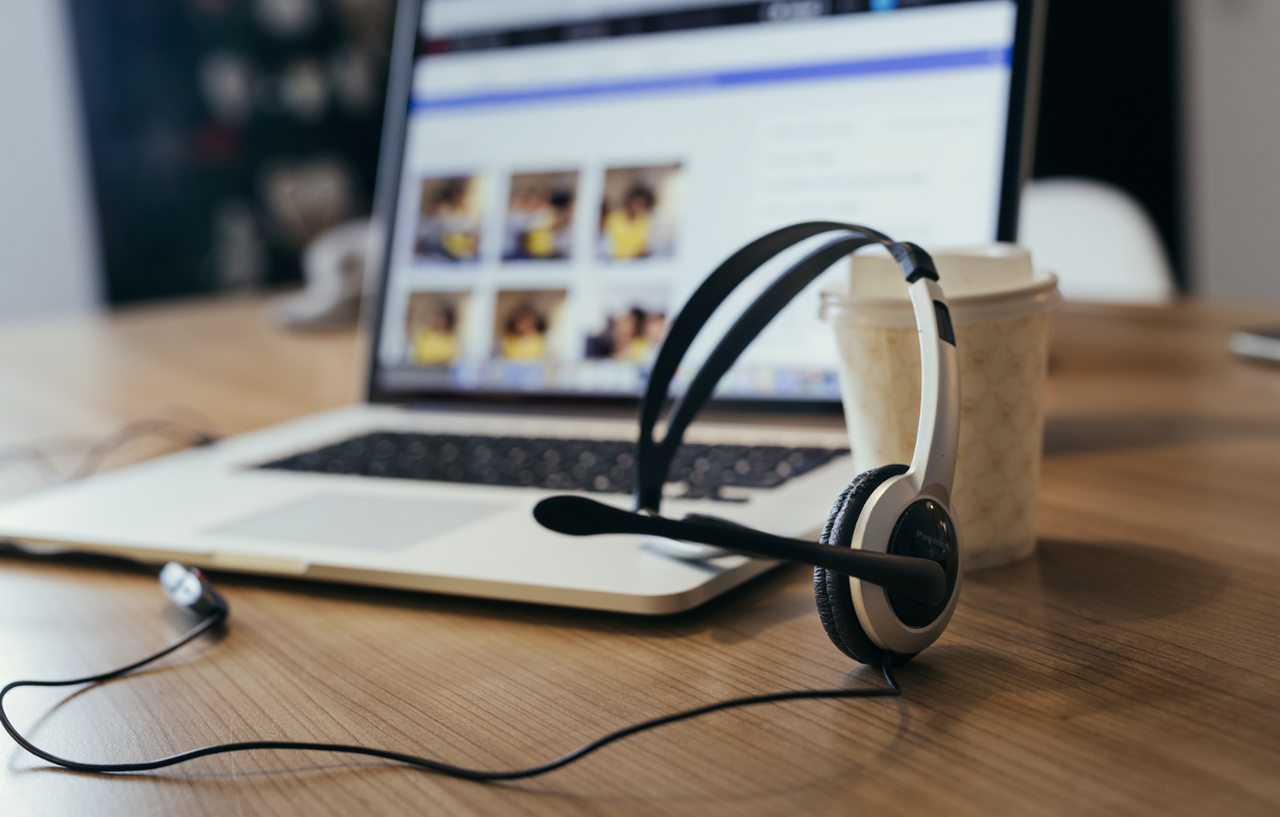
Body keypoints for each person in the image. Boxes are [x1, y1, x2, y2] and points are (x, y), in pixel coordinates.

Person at [601, 183, 656, 260]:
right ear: (630, 201)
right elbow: (607, 246)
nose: (638, 208)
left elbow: (644, 247)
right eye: (637, 203)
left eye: (643, 205)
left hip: (635, 264)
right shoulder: (613, 218)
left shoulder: (644, 221)